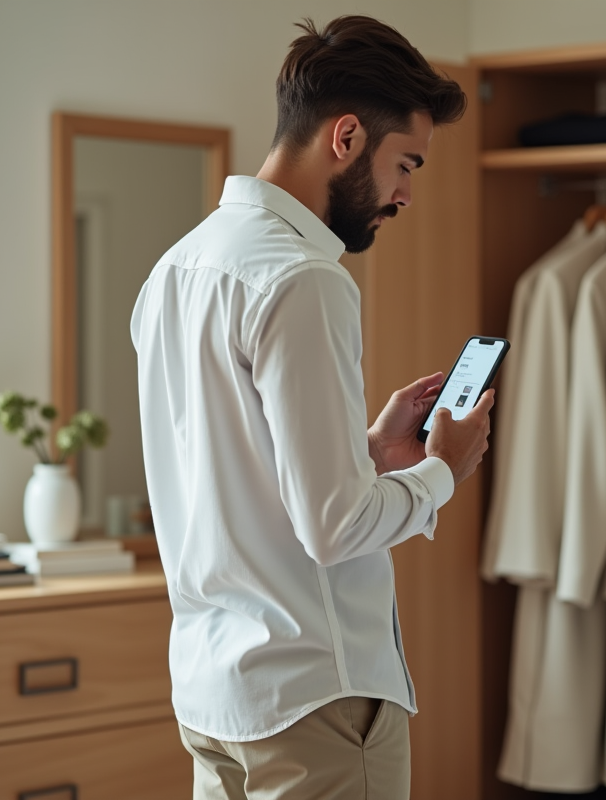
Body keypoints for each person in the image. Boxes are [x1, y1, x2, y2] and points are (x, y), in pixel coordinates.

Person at [130, 14, 492, 800]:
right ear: (347, 136)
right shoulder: (305, 279)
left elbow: (235, 473)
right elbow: (335, 528)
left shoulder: (175, 271)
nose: (406, 194)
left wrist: (368, 453)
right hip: (314, 704)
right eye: (406, 164)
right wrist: (442, 471)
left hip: (214, 697)